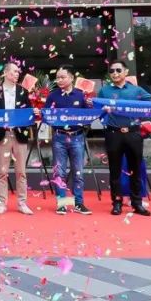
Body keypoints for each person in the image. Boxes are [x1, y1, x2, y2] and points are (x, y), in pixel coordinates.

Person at [97, 60, 151, 217]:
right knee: (115, 170)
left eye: (118, 70)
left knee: (135, 169)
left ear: (126, 72)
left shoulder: (136, 90)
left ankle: (137, 203)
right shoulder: (104, 91)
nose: (115, 73)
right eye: (112, 71)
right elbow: (96, 109)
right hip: (113, 134)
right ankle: (117, 203)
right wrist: (101, 109)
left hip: (133, 134)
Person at [0, 62, 33, 215]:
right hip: (2, 135)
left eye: (18, 71)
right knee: (2, 172)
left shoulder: (23, 92)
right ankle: (1, 203)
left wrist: (34, 113)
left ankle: (22, 203)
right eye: (14, 71)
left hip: (19, 134)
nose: (17, 74)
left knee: (21, 171)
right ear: (5, 72)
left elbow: (29, 113)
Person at [46, 65, 94, 215]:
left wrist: (92, 107)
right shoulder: (52, 96)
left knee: (78, 172)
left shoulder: (81, 95)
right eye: (57, 78)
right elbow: (46, 115)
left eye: (63, 77)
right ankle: (62, 203)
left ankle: (79, 203)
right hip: (59, 137)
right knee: (59, 172)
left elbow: (89, 116)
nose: (59, 80)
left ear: (71, 78)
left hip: (77, 137)